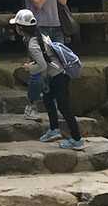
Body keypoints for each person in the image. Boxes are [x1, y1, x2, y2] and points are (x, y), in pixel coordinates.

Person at [9, 9, 84, 149]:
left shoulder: (33, 44)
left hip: (58, 76)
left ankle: (77, 139)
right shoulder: (39, 35)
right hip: (57, 74)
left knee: (64, 107)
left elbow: (42, 65)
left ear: (20, 29)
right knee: (48, 99)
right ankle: (54, 129)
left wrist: (29, 68)